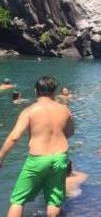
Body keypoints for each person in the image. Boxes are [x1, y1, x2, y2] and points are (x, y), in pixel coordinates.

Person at [0, 76, 74, 217]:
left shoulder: (30, 111)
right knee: (53, 200)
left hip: (38, 158)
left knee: (18, 200)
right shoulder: (65, 110)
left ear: (35, 91)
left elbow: (14, 137)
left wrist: (1, 156)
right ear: (54, 92)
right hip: (60, 157)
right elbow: (69, 133)